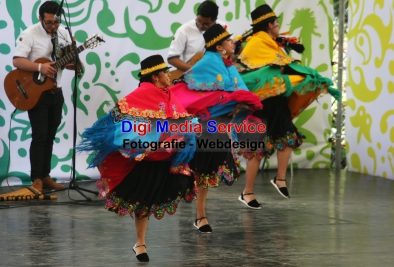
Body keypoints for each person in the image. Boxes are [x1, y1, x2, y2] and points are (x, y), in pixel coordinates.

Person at [77, 55, 197, 262]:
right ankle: (140, 243)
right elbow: (120, 119)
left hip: (164, 159)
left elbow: (182, 121)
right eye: (165, 72)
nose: (169, 75)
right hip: (146, 159)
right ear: (155, 76)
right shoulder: (141, 94)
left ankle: (145, 240)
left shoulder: (169, 95)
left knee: (174, 186)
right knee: (142, 203)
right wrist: (143, 143)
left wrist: (176, 139)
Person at [234, 4, 342, 203]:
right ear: (269, 24)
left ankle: (280, 179)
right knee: (257, 148)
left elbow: (281, 66)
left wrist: (306, 74)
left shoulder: (270, 41)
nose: (278, 26)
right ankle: (247, 192)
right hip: (262, 104)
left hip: (277, 101)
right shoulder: (257, 43)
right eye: (277, 23)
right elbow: (269, 69)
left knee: (288, 138)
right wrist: (308, 74)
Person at [171, 24, 264, 232]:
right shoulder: (208, 62)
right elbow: (199, 89)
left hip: (221, 127)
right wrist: (229, 100)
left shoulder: (228, 64)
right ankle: (201, 216)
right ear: (220, 46)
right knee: (200, 170)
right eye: (229, 41)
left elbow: (240, 91)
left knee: (205, 173)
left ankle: (200, 215)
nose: (233, 43)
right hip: (206, 126)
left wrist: (237, 103)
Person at [12, 1, 74, 192]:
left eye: (55, 22)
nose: (53, 26)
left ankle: (45, 176)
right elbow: (17, 60)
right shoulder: (30, 34)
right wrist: (40, 67)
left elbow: (69, 63)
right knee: (39, 136)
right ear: (40, 19)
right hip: (36, 94)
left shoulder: (64, 33)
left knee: (50, 136)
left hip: (57, 92)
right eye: (48, 23)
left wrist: (72, 62)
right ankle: (36, 179)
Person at [167, 0, 228, 73]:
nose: (201, 26)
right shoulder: (184, 30)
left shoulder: (222, 27)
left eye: (206, 24)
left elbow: (228, 52)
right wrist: (196, 69)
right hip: (192, 74)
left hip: (218, 72)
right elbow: (172, 58)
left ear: (215, 20)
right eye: (198, 21)